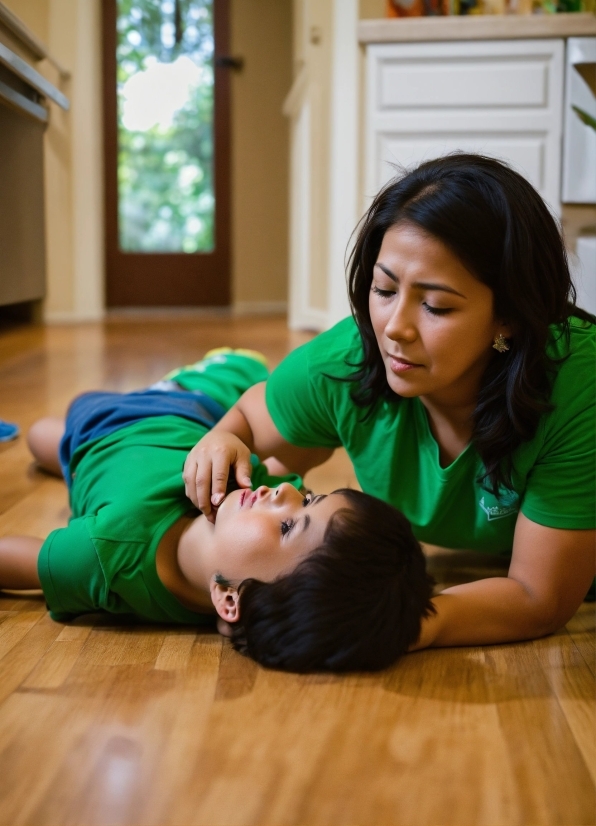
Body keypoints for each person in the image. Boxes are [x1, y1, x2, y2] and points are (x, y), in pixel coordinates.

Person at [184, 154, 596, 651]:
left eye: (435, 305)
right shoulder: (348, 359)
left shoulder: (578, 390)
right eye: (383, 288)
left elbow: (537, 595)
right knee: (275, 458)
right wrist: (222, 435)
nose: (394, 328)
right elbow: (250, 418)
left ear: (508, 315)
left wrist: (386, 621)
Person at [0, 349, 434, 673]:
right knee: (253, 393)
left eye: (287, 526)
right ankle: (227, 369)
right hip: (191, 417)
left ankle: (69, 454)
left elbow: (26, 561)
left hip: (108, 427)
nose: (284, 492)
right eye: (311, 499)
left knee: (44, 438)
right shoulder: (254, 493)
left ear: (232, 600)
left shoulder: (105, 552)